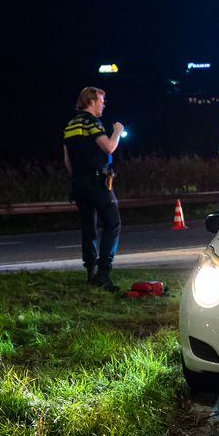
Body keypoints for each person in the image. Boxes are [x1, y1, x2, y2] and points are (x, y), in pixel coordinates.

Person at [63, 86, 124, 290]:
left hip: (79, 183)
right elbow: (108, 147)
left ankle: (90, 271)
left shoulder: (70, 125)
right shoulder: (92, 122)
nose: (103, 104)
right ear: (91, 101)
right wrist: (117, 132)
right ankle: (104, 274)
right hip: (97, 182)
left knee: (88, 227)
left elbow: (67, 160)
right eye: (101, 100)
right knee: (113, 223)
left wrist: (78, 179)